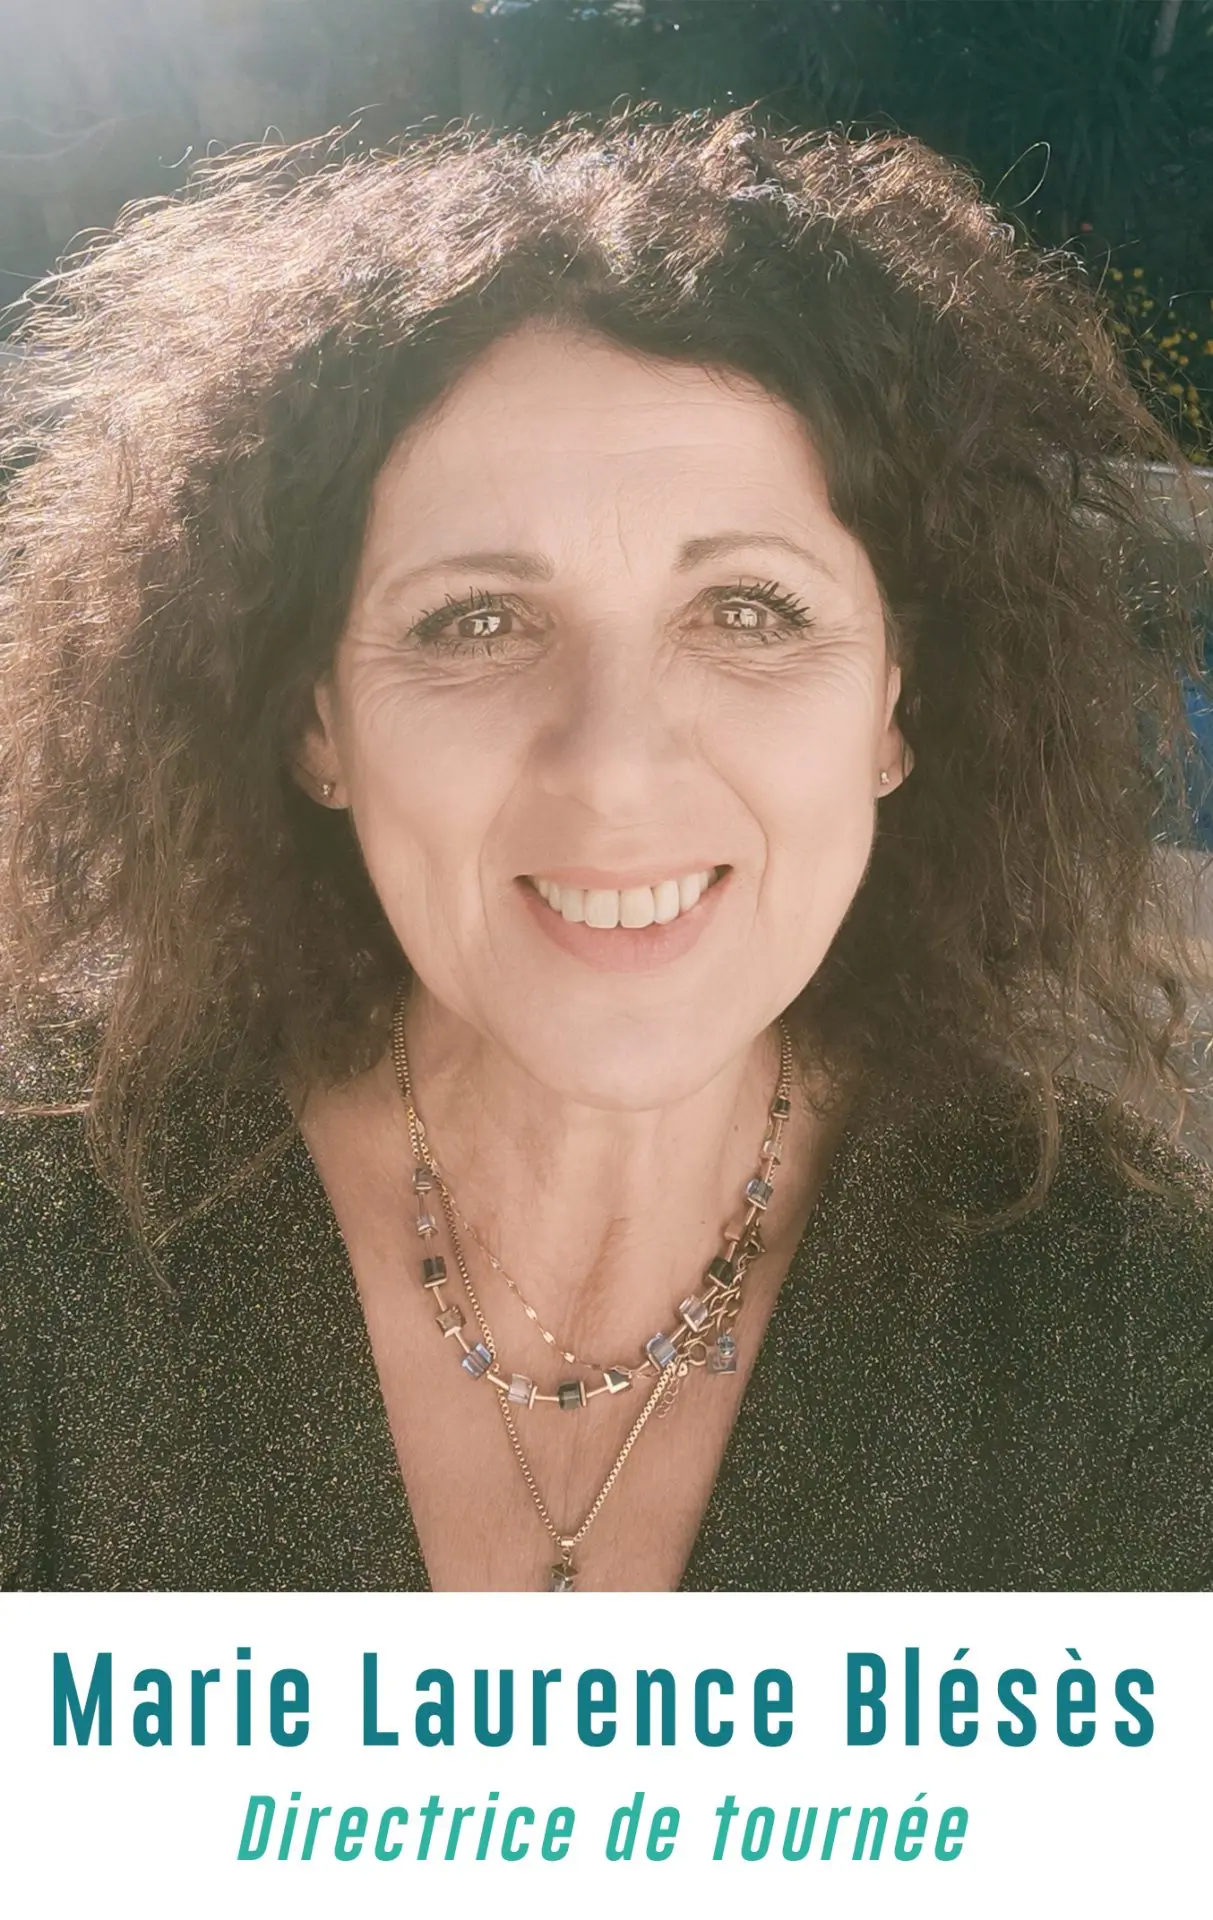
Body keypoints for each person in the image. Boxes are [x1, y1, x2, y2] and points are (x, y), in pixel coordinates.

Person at [1, 107, 1211, 1595]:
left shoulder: (1133, 1333)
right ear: (318, 724)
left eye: (749, 611)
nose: (616, 767)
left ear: (897, 707)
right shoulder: (39, 1249)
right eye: (476, 622)